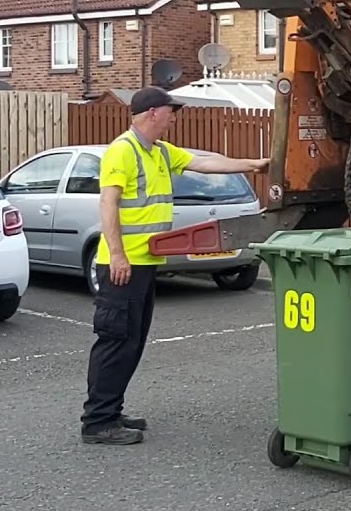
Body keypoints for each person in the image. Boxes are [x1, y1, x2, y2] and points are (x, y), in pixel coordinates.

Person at [79, 86, 269, 445]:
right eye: (171, 111)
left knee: (131, 341)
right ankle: (98, 422)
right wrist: (118, 254)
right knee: (116, 341)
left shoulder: (160, 152)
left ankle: (111, 411)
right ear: (152, 113)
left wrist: (253, 164)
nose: (174, 118)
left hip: (145, 261)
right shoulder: (124, 150)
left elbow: (205, 163)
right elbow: (108, 203)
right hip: (123, 264)